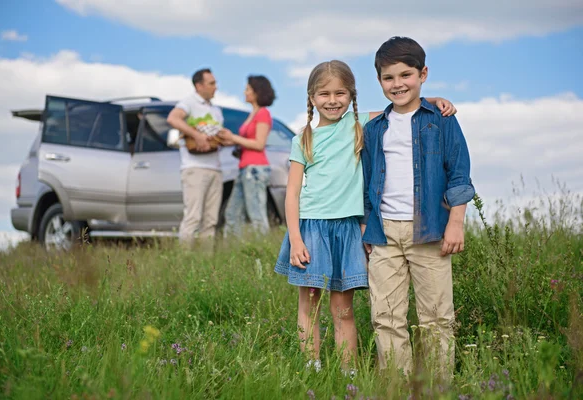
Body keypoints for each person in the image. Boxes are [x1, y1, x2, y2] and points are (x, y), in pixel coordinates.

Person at [274, 60, 457, 374]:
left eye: (340, 93)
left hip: (347, 229)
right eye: (324, 94)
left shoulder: (358, 125)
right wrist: (295, 239)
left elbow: (403, 104)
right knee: (310, 304)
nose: (332, 100)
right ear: (311, 98)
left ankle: (349, 371)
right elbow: (291, 194)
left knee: (343, 309)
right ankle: (311, 367)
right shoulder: (302, 139)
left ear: (351, 95)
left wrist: (434, 100)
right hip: (311, 229)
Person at [361, 37, 475, 378]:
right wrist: (367, 224)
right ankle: (398, 386)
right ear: (379, 81)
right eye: (388, 78)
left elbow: (458, 174)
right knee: (386, 317)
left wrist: (456, 223)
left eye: (405, 75)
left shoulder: (441, 120)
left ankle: (437, 386)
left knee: (437, 317)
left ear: (423, 73)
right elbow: (367, 181)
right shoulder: (373, 128)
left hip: (429, 229)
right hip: (384, 234)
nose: (397, 84)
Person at [166, 68, 224, 244]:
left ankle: (205, 263)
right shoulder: (188, 103)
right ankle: (185, 261)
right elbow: (173, 119)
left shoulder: (216, 110)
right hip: (194, 168)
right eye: (211, 83)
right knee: (193, 217)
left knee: (211, 220)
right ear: (199, 86)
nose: (216, 87)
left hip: (215, 168)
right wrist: (197, 135)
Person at [217, 75, 276, 237]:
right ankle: (233, 252)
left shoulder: (263, 113)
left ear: (257, 92)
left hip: (255, 170)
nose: (245, 92)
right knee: (232, 214)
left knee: (256, 215)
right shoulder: (252, 114)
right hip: (244, 169)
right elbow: (246, 141)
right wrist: (227, 140)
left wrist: (233, 137)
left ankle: (263, 254)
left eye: (248, 89)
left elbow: (259, 144)